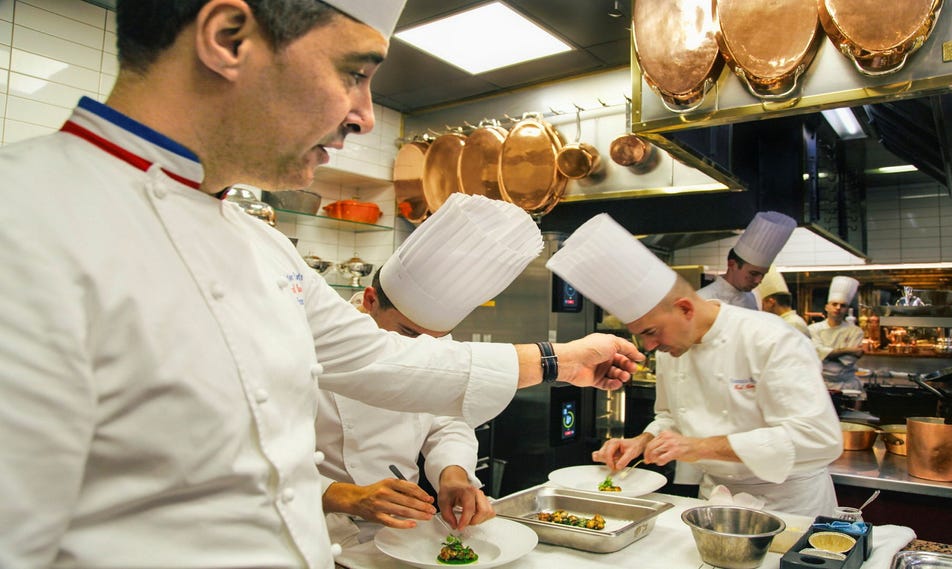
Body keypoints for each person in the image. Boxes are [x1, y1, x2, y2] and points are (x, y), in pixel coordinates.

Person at [0, 3, 643, 568]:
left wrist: (562, 359)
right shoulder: (23, 217)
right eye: (354, 73)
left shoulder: (265, 245)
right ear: (228, 37)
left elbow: (380, 360)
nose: (363, 115)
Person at [547, 214, 843, 517]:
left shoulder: (772, 338)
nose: (649, 347)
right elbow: (669, 417)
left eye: (651, 332)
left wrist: (700, 447)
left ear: (685, 309)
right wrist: (644, 440)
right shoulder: (671, 349)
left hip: (790, 506)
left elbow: (819, 439)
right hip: (714, 500)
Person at [318, 193, 541, 547]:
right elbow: (259, 456)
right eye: (407, 333)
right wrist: (342, 495)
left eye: (434, 339)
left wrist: (452, 474)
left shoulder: (436, 341)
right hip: (319, 530)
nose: (419, 349)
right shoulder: (317, 342)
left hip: (403, 532)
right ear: (370, 299)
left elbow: (447, 420)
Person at [698, 211, 797, 310]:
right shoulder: (703, 299)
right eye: (753, 273)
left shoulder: (752, 297)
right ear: (732, 264)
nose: (759, 281)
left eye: (763, 275)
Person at [809, 276, 865, 395]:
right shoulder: (813, 329)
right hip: (821, 385)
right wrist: (848, 349)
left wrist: (826, 354)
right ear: (827, 307)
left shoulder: (855, 331)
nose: (838, 308)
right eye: (834, 304)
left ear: (846, 309)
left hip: (848, 386)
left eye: (843, 305)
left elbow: (849, 360)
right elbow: (816, 353)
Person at [756, 267, 811, 338]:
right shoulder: (786, 321)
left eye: (763, 304)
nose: (762, 308)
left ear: (771, 302)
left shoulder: (793, 323)